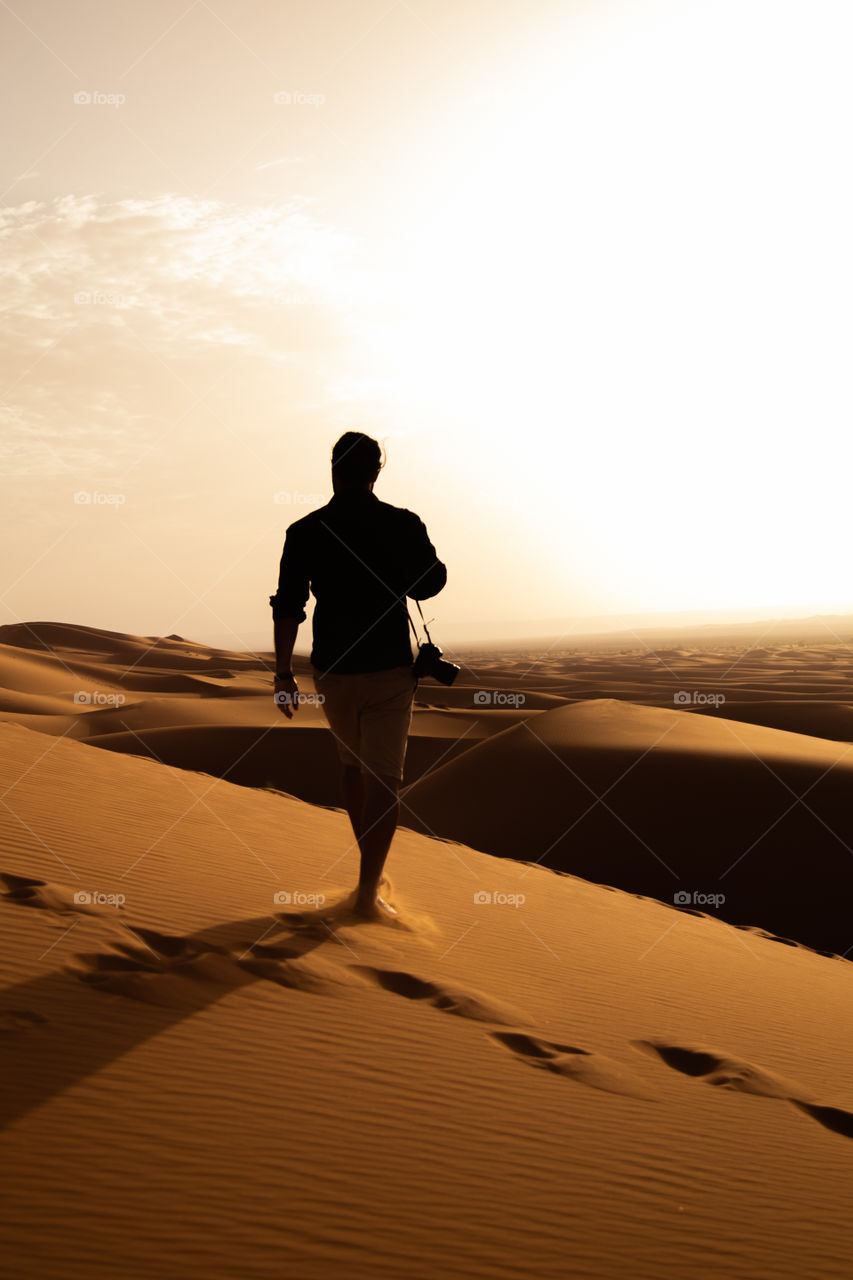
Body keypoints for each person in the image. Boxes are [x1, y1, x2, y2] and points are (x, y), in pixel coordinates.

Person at [269, 432, 447, 919]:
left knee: (353, 768)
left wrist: (283, 674)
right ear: (376, 472)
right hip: (388, 670)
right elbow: (430, 583)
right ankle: (368, 892)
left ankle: (370, 878)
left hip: (333, 670)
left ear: (334, 469)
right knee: (384, 780)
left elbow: (288, 606)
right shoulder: (402, 523)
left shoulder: (305, 530)